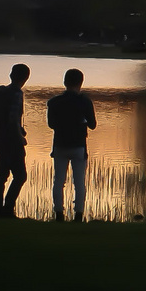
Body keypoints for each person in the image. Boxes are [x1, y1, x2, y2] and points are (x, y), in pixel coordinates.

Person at [47, 67, 97, 221]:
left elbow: (51, 124)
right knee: (79, 181)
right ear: (81, 83)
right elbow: (93, 125)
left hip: (60, 145)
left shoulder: (54, 102)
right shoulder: (85, 101)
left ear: (64, 82)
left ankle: (59, 214)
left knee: (59, 181)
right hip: (78, 147)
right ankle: (79, 215)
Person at [0, 63, 31, 218]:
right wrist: (20, 138)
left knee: (0, 175)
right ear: (26, 78)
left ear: (11, 75)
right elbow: (12, 120)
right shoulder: (17, 94)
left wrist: (20, 129)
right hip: (11, 141)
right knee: (20, 176)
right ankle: (7, 210)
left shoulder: (0, 92)